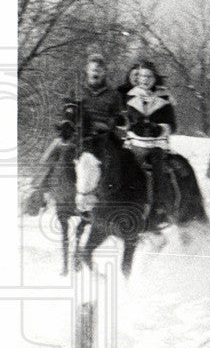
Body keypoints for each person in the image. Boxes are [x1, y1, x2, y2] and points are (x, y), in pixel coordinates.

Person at [29, 53, 124, 196]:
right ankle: (38, 190)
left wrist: (108, 124)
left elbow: (117, 117)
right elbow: (67, 110)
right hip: (80, 134)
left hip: (103, 135)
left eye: (99, 70)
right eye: (93, 70)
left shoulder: (113, 94)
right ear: (87, 70)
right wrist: (66, 124)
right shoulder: (77, 91)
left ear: (104, 72)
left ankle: (119, 194)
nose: (95, 73)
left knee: (120, 157)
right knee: (57, 147)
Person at [123, 60, 177, 225]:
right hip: (134, 142)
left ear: (154, 78)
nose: (144, 80)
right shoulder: (129, 96)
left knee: (157, 168)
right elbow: (123, 120)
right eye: (141, 76)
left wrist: (160, 128)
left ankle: (160, 207)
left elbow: (173, 125)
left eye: (148, 76)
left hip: (156, 144)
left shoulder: (164, 98)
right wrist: (129, 125)